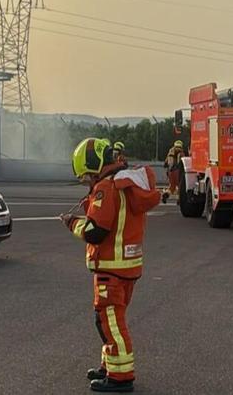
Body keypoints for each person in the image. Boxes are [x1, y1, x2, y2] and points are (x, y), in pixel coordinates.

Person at [59, 138, 159, 393]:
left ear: (94, 168)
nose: (87, 183)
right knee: (106, 321)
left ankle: (121, 377)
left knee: (110, 323)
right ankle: (109, 366)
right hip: (127, 267)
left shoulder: (106, 187)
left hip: (110, 269)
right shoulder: (126, 182)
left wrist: (73, 223)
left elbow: (96, 231)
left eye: (86, 177)